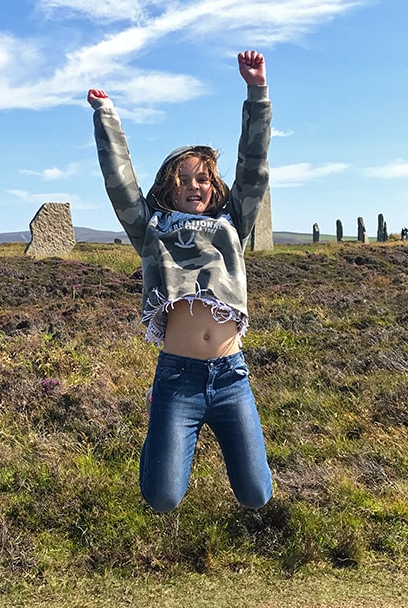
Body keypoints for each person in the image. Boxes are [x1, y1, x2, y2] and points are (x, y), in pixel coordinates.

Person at [87, 50, 273, 513]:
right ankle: (160, 422)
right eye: (184, 179)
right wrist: (107, 117)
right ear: (170, 185)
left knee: (257, 495)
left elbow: (254, 165)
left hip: (231, 375)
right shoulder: (151, 228)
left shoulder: (235, 223)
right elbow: (120, 183)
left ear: (214, 186)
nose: (195, 186)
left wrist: (257, 91)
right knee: (163, 497)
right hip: (177, 377)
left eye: (203, 179)